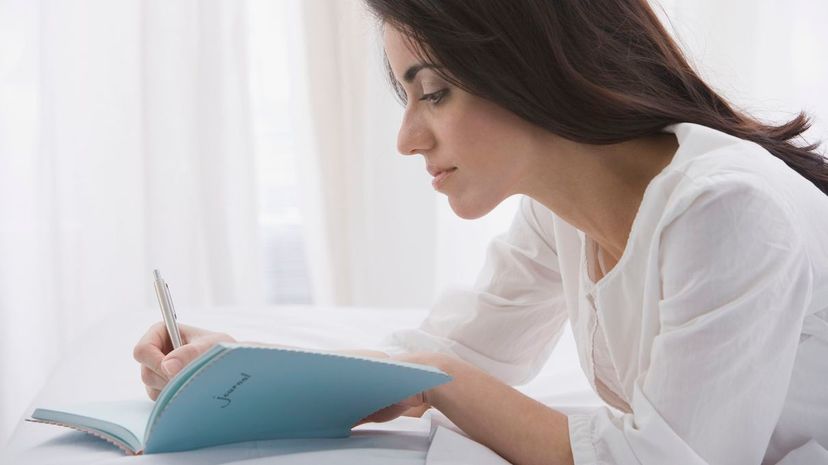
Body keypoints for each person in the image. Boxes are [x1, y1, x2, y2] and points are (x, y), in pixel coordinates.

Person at [133, 0, 828, 463]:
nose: (407, 138)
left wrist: (447, 380)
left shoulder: (726, 209)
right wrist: (245, 368)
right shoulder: (565, 209)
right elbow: (444, 356)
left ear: (530, 68)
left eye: (432, 91)